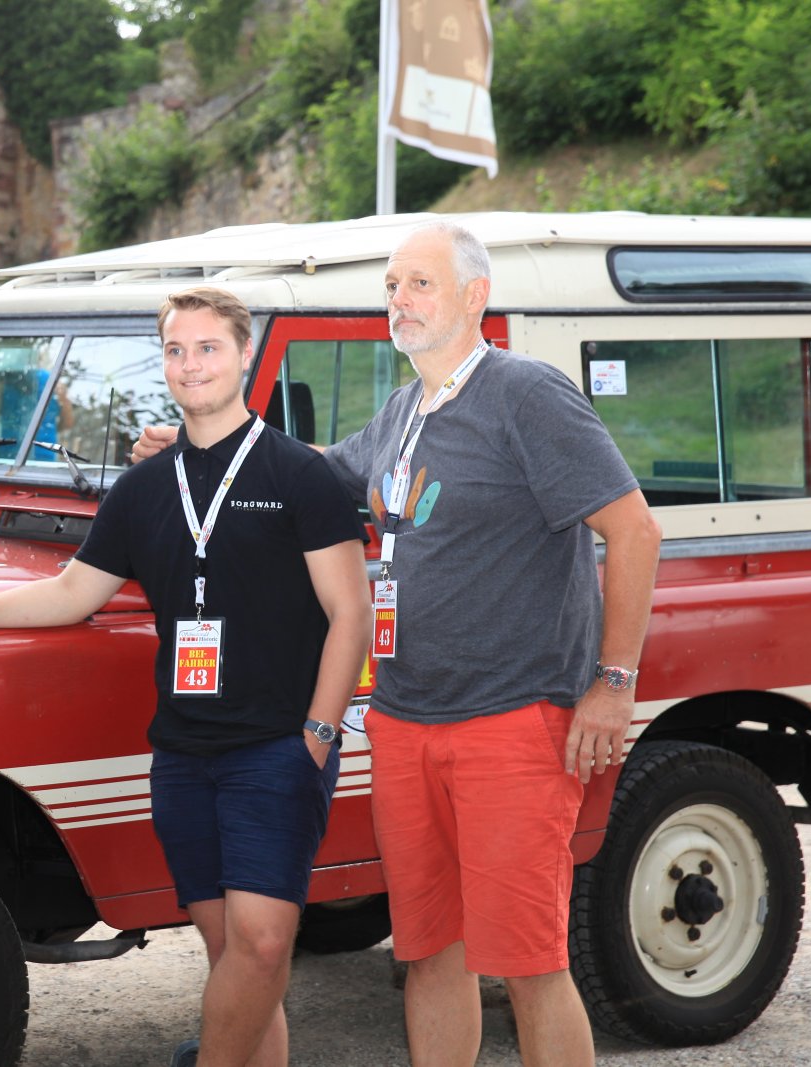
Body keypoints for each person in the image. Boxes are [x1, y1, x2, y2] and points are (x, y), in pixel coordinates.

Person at [134, 222, 662, 1066]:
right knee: (428, 952)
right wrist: (204, 438)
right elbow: (313, 466)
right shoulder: (403, 410)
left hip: (511, 721)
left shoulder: (526, 393)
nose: (399, 301)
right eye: (391, 286)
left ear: (475, 296)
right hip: (406, 720)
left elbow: (634, 530)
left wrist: (614, 681)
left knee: (529, 962)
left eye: (420, 283)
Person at [0, 287, 372, 1067]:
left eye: (209, 347)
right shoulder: (143, 489)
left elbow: (351, 611)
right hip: (183, 757)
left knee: (266, 944)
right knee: (236, 960)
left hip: (276, 748)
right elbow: (74, 592)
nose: (191, 364)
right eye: (176, 350)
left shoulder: (300, 475)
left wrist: (318, 731)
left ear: (245, 356)